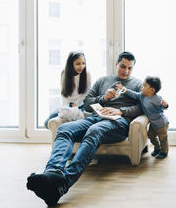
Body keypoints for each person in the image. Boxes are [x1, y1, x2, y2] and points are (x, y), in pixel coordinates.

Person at [26, 51, 143, 206]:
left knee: (94, 131)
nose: (125, 71)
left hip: (118, 122)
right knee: (64, 129)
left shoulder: (137, 84)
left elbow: (143, 107)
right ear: (116, 64)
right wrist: (103, 98)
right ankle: (53, 172)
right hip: (95, 117)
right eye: (123, 66)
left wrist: (122, 111)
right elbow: (87, 102)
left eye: (130, 68)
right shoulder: (103, 81)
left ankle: (64, 183)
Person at [116, 76, 169, 159]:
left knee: (163, 139)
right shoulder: (142, 96)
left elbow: (163, 106)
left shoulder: (157, 99)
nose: (142, 87)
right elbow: (133, 94)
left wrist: (165, 105)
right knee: (151, 136)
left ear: (152, 90)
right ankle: (157, 148)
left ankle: (164, 151)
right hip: (153, 123)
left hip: (161, 124)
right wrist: (124, 89)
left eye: (144, 86)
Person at [44, 51, 92, 129]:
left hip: (81, 105)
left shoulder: (87, 74)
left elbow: (86, 93)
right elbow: (64, 93)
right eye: (78, 64)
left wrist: (76, 104)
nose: (81, 66)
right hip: (67, 105)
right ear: (71, 64)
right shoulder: (64, 73)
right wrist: (66, 108)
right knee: (47, 123)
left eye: (83, 63)